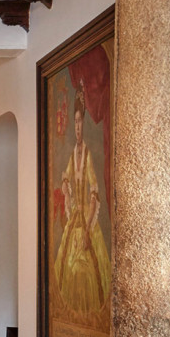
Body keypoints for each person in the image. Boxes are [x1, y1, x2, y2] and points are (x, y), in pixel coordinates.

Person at [53, 93, 111, 315]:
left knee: (85, 272)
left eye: (80, 122)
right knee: (66, 267)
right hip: (75, 214)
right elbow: (65, 176)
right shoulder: (72, 154)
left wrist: (87, 229)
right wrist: (66, 186)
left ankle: (87, 314)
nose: (77, 127)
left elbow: (94, 191)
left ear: (84, 124)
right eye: (75, 122)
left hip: (86, 218)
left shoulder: (87, 154)